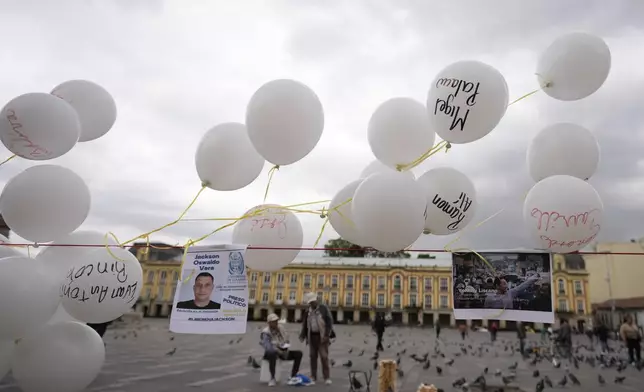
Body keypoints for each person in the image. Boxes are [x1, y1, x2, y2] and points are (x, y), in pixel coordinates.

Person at [260, 313, 303, 387]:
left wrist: (286, 345)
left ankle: (293, 376)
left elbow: (286, 338)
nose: (276, 323)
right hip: (271, 353)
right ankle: (272, 378)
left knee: (299, 354)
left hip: (282, 350)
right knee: (271, 352)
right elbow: (267, 346)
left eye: (276, 321)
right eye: (274, 321)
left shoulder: (281, 328)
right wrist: (278, 350)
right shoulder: (266, 332)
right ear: (269, 323)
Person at [299, 292, 333, 385]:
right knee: (313, 357)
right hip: (312, 336)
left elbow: (329, 322)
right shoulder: (307, 311)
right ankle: (313, 376)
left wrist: (327, 335)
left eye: (313, 302)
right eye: (310, 302)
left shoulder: (323, 309)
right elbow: (305, 324)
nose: (312, 304)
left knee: (324, 357)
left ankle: (327, 377)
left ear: (317, 300)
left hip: (322, 336)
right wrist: (303, 335)